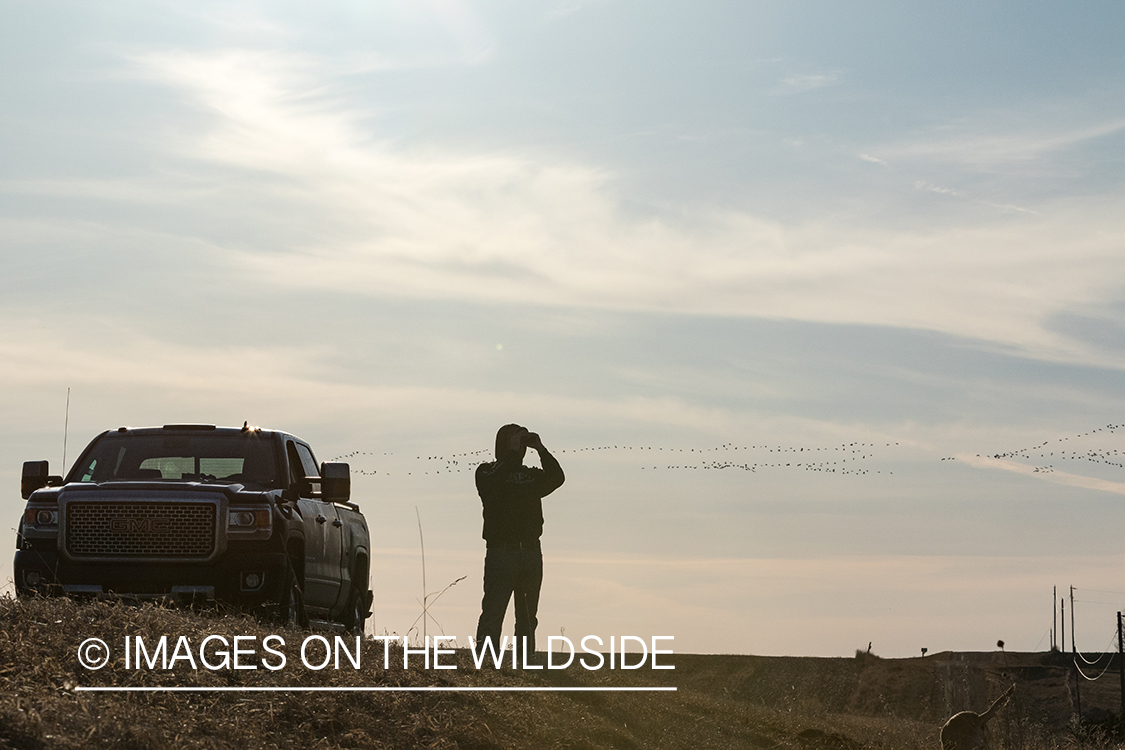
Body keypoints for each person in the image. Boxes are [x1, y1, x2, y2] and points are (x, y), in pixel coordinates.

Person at [474, 424, 565, 664]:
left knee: (527, 615)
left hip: (531, 552)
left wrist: (540, 449)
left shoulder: (531, 476)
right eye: (514, 440)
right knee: (494, 611)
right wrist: (511, 454)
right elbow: (492, 484)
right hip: (501, 552)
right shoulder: (486, 472)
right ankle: (486, 661)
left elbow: (557, 478)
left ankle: (525, 661)